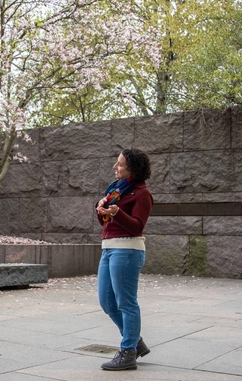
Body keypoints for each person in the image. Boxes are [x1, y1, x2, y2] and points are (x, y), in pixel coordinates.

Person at [95, 148, 153, 371]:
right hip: (109, 248)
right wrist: (102, 210)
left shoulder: (142, 194)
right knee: (106, 301)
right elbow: (106, 224)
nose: (114, 167)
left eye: (119, 164)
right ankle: (134, 340)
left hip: (128, 250)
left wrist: (117, 212)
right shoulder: (116, 190)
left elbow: (137, 226)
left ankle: (128, 351)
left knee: (126, 302)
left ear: (132, 169)